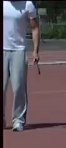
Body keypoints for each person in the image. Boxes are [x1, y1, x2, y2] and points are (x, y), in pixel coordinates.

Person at [3, 1, 40, 132]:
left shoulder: (28, 5)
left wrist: (35, 50)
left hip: (18, 50)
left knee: (18, 87)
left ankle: (18, 120)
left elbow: (35, 27)